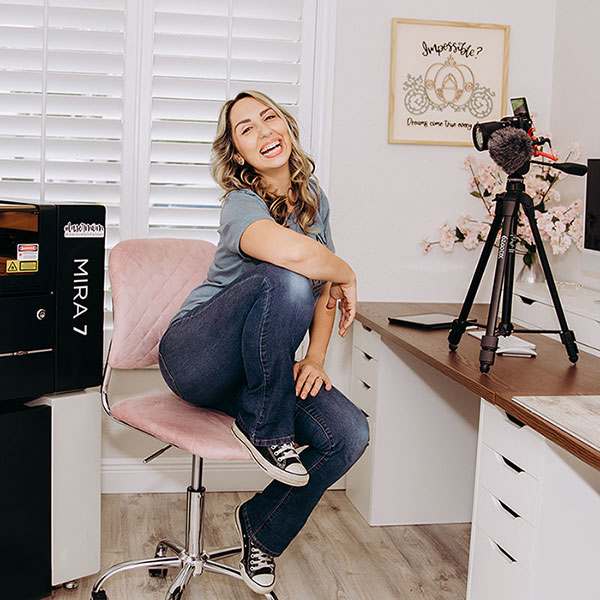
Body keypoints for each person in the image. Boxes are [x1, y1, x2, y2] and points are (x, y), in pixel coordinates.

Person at [158, 90, 369, 596]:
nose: (263, 131)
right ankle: (266, 429)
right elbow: (298, 262)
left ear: (288, 127)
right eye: (246, 129)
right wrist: (346, 270)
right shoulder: (241, 203)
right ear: (238, 153)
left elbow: (323, 290)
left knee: (349, 432)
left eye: (268, 117)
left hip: (258, 371)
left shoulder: (312, 197)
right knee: (288, 274)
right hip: (195, 357)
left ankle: (262, 526)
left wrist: (316, 357)